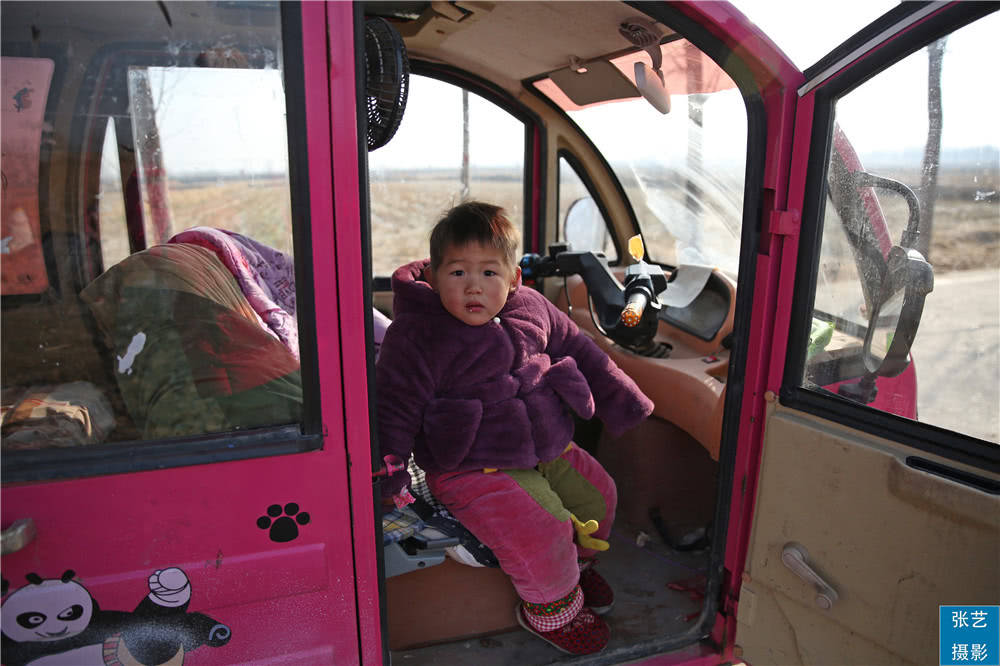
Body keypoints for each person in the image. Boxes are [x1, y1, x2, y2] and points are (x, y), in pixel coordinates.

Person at [375, 201, 653, 655]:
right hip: (468, 464)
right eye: (457, 272)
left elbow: (583, 352)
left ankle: (572, 573)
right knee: (543, 526)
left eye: (489, 273)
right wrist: (388, 475)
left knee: (598, 495)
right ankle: (551, 610)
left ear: (514, 278)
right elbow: (394, 407)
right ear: (434, 276)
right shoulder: (419, 334)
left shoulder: (533, 308)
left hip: (546, 445)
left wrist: (624, 401)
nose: (473, 288)